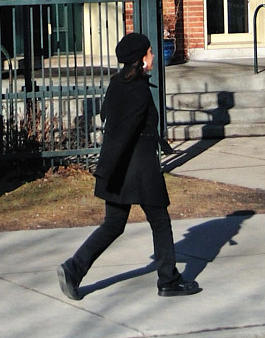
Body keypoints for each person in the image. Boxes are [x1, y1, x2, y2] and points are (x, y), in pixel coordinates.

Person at [58, 31, 200, 299]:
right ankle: (168, 280)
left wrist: (109, 169)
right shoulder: (137, 90)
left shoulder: (118, 83)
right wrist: (108, 170)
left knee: (113, 224)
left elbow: (110, 121)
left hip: (121, 167)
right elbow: (124, 132)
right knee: (160, 221)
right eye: (149, 52)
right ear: (141, 59)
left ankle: (73, 269)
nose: (153, 56)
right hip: (138, 167)